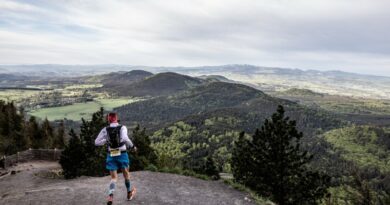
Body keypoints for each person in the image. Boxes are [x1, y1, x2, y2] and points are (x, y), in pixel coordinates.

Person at [95, 112, 137, 205]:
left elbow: (96, 142)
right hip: (122, 154)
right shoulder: (122, 127)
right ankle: (129, 193)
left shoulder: (105, 129)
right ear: (116, 118)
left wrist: (106, 140)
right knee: (126, 176)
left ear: (108, 119)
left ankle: (110, 196)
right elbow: (125, 139)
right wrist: (133, 146)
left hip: (111, 154)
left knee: (114, 178)